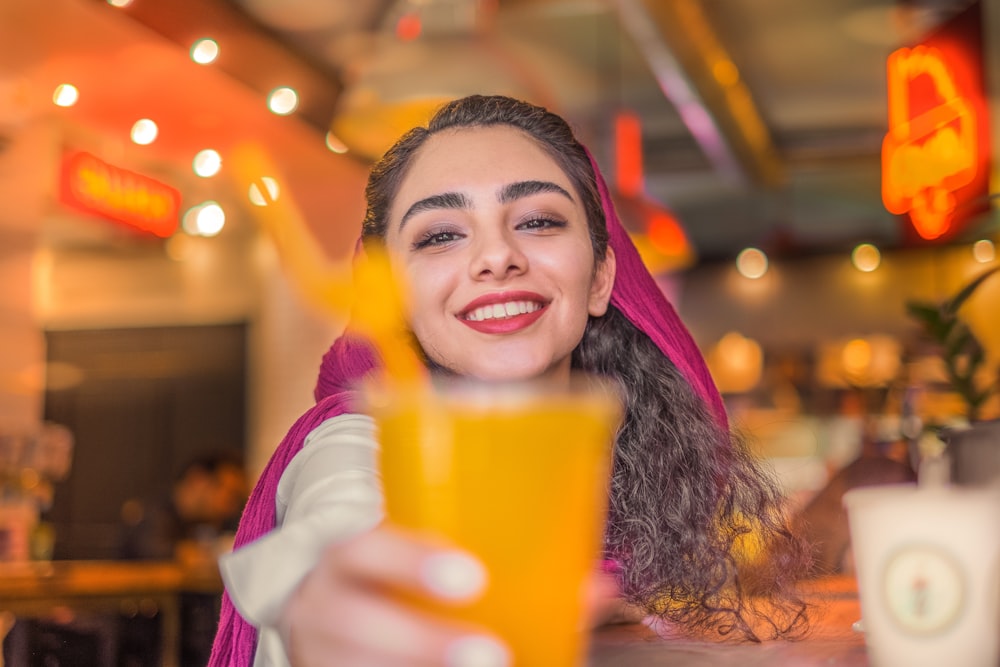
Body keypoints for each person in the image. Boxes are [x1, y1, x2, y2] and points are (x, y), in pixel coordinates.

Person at [209, 95, 809, 667]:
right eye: (441, 234)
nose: (496, 256)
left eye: (539, 221)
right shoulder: (358, 444)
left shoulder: (621, 459)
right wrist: (337, 601)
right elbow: (338, 531)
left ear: (601, 276)